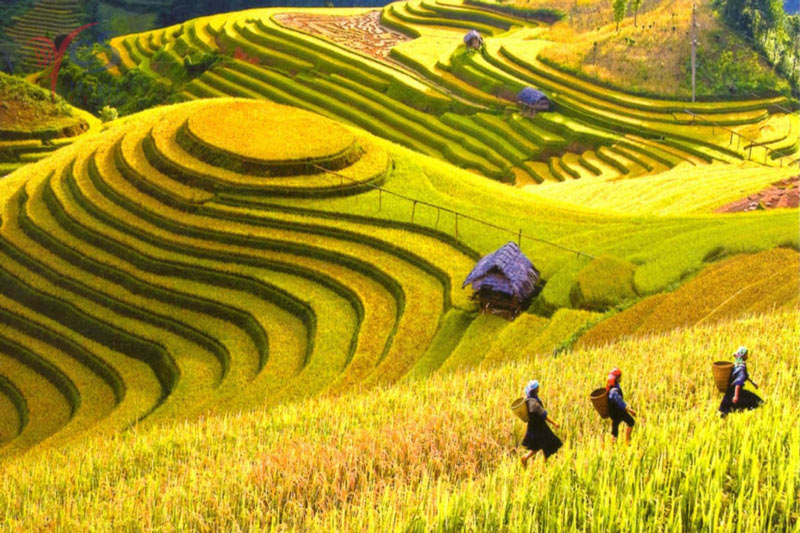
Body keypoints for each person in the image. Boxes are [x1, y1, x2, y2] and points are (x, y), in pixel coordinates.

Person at [520, 380, 563, 466]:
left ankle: (540, 461)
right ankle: (527, 458)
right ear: (536, 390)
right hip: (539, 427)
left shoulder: (528, 399)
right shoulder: (535, 404)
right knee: (546, 443)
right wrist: (554, 423)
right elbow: (544, 415)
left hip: (534, 426)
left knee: (541, 445)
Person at [718, 346, 763, 417]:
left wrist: (752, 383)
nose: (747, 355)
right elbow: (738, 382)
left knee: (726, 410)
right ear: (743, 355)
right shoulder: (741, 368)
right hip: (736, 392)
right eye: (746, 354)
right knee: (756, 402)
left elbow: (745, 376)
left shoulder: (737, 365)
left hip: (729, 392)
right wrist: (736, 396)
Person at [606, 368, 637, 443]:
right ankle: (627, 441)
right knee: (631, 422)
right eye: (620, 377)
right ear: (616, 378)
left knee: (615, 430)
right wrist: (630, 410)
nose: (621, 378)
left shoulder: (612, 387)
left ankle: (612, 445)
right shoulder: (614, 391)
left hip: (613, 413)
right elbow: (620, 403)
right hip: (619, 412)